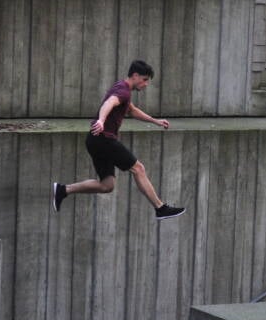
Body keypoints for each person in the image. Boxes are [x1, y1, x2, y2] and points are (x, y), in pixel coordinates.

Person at [52, 60, 186, 220]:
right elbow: (109, 103)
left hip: (95, 140)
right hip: (104, 139)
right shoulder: (123, 91)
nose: (146, 84)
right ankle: (160, 208)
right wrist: (101, 120)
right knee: (138, 168)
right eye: (144, 80)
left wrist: (155, 121)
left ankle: (63, 190)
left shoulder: (123, 89)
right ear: (135, 76)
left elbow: (133, 111)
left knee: (106, 185)